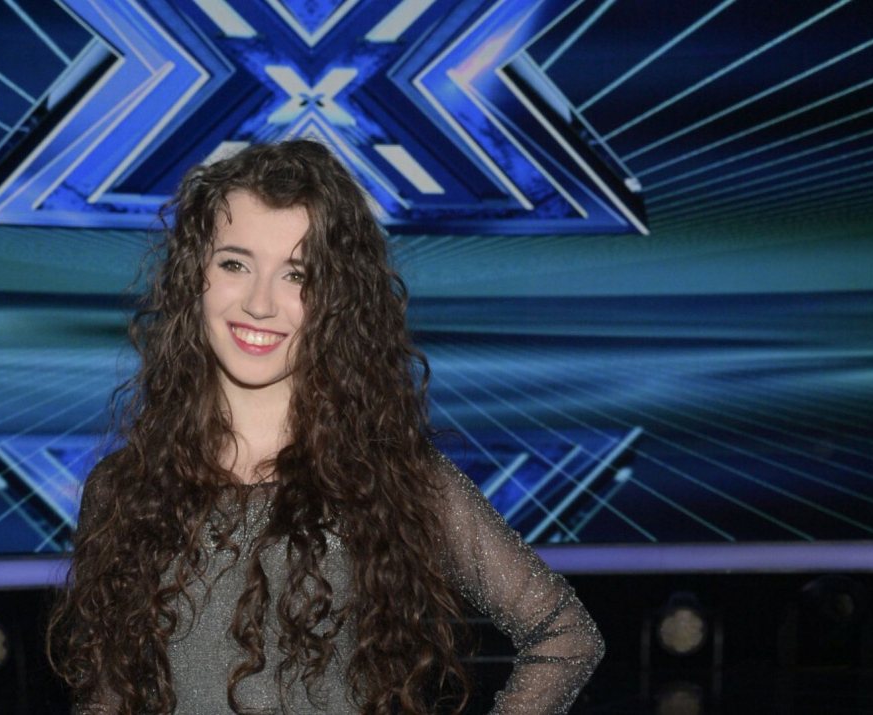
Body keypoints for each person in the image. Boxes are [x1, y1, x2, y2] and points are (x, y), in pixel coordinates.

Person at [47, 140, 604, 714]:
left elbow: (566, 636)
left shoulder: (398, 481)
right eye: (235, 264)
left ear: (337, 297)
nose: (260, 303)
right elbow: (106, 697)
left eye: (297, 274)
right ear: (194, 276)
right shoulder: (123, 489)